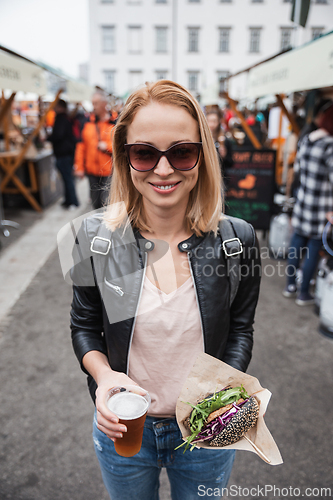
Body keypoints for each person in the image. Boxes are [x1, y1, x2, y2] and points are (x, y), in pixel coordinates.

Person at [69, 80, 261, 500]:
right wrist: (104, 379)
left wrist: (221, 391)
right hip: (124, 426)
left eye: (181, 151)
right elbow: (83, 326)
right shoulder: (92, 236)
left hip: (204, 434)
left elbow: (241, 330)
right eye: (144, 152)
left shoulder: (238, 240)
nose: (163, 169)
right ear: (125, 158)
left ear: (202, 156)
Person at [283, 103, 333, 306]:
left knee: (296, 243)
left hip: (303, 202)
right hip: (321, 206)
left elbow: (299, 171)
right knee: (313, 246)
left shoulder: (307, 139)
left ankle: (290, 285)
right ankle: (304, 293)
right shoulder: (329, 144)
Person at [74, 90, 115, 209]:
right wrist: (79, 167)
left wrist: (107, 146)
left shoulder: (114, 123)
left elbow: (122, 146)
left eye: (96, 103)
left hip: (109, 172)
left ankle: (107, 227)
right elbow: (81, 147)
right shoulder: (87, 123)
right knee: (95, 203)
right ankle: (98, 226)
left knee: (107, 203)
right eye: (92, 103)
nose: (94, 106)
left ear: (104, 103)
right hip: (92, 171)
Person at [48, 99, 79, 209]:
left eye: (56, 106)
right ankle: (68, 200)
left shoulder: (61, 119)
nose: (54, 108)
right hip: (67, 152)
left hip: (64, 153)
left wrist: (48, 138)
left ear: (60, 107)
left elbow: (58, 135)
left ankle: (73, 202)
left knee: (67, 178)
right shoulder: (67, 118)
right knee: (67, 178)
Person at [205, 109, 233, 181]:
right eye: (209, 120)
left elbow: (230, 163)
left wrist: (224, 156)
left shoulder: (224, 140)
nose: (211, 124)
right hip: (205, 177)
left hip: (220, 178)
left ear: (219, 122)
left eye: (214, 121)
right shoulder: (202, 139)